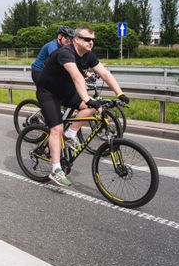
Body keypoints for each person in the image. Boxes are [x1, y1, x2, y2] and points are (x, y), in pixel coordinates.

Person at [36, 26, 130, 187]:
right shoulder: (66, 52)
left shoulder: (88, 55)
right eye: (87, 39)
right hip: (49, 93)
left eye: (93, 40)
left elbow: (105, 73)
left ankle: (71, 133)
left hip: (66, 91)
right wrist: (86, 98)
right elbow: (76, 76)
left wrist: (120, 93)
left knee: (96, 106)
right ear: (77, 40)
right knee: (56, 128)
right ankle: (56, 170)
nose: (91, 42)